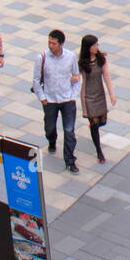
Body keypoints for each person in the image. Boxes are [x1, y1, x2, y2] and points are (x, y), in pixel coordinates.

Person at [33, 29, 82, 174]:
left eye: (53, 43)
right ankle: (51, 140)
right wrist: (42, 98)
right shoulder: (42, 57)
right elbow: (36, 80)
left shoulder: (70, 56)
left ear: (61, 44)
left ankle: (70, 161)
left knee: (69, 131)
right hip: (50, 100)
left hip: (67, 99)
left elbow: (77, 76)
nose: (50, 46)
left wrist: (73, 96)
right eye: (49, 42)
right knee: (49, 126)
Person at [77, 34, 118, 161]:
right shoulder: (82, 63)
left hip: (99, 94)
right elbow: (76, 77)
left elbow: (106, 77)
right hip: (88, 96)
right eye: (94, 45)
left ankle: (93, 128)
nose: (97, 47)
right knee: (94, 123)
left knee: (102, 121)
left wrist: (111, 94)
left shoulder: (101, 59)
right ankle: (99, 151)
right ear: (88, 47)